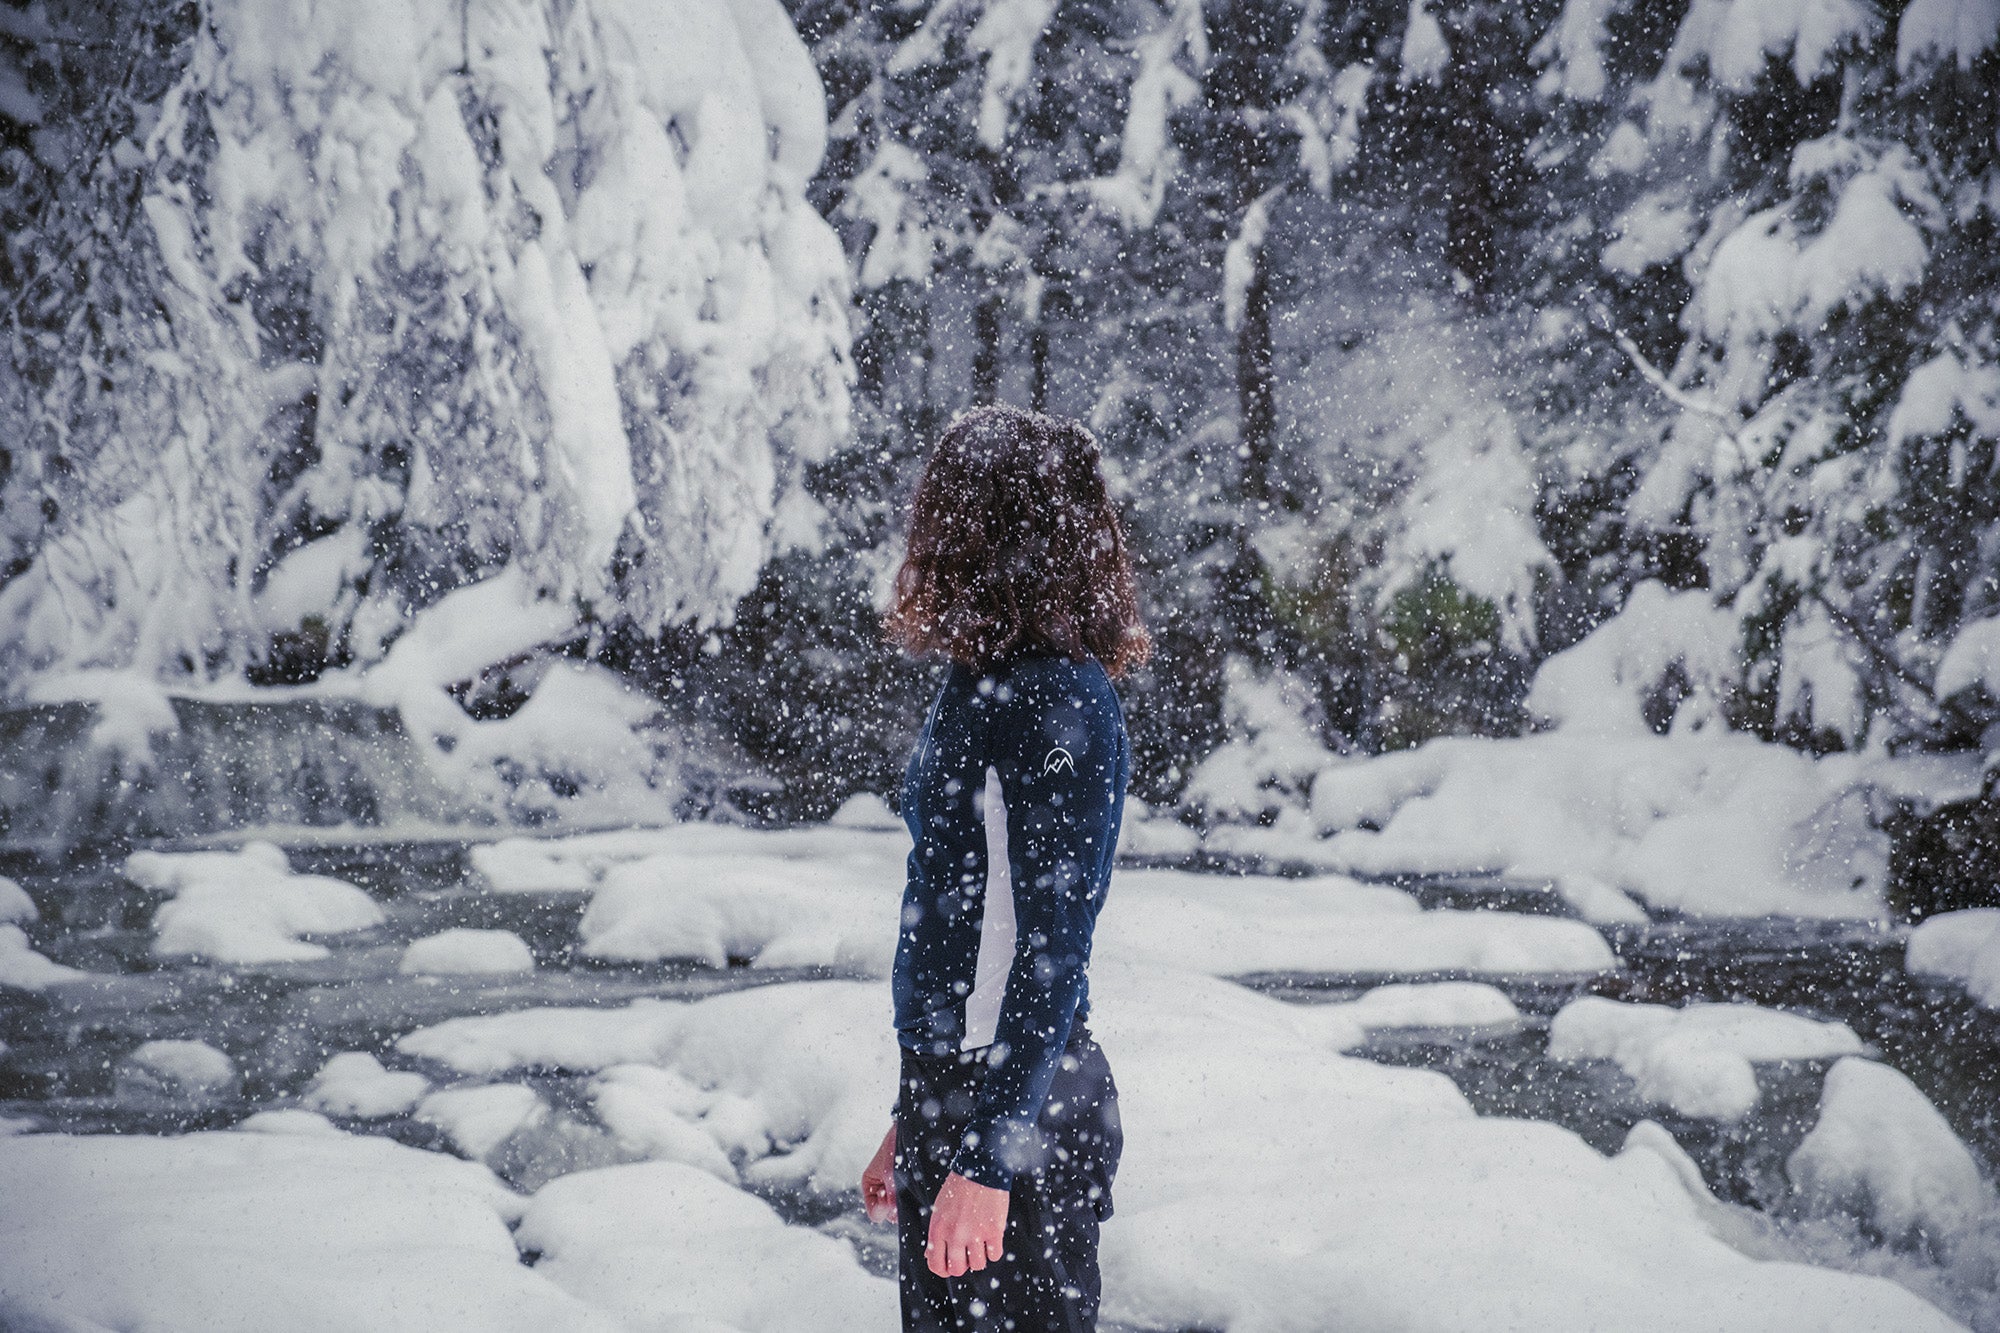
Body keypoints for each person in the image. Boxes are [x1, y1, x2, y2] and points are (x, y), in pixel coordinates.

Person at [860, 404, 1150, 1333]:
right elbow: (958, 909)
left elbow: (1051, 948)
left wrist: (991, 1156)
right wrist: (916, 1106)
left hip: (1024, 1114)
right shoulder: (983, 678)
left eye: (943, 509)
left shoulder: (1058, 697)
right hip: (967, 1094)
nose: (924, 532)